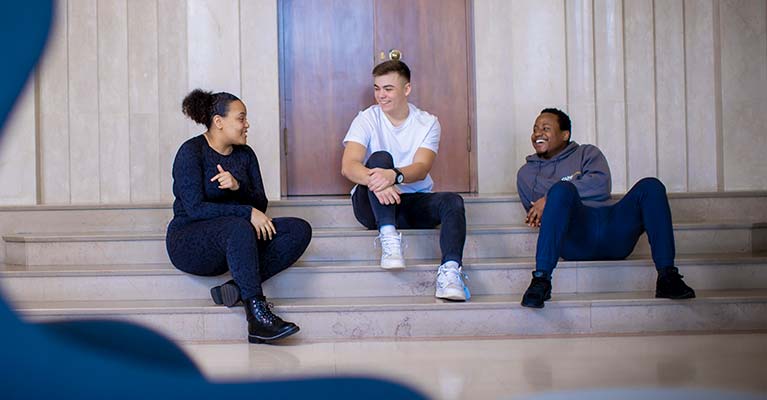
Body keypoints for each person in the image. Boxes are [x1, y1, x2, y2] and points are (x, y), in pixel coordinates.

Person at [166, 89, 312, 343]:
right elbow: (195, 209)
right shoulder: (191, 152)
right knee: (238, 226)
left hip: (236, 241)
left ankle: (235, 289)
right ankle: (257, 317)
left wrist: (238, 187)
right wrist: (245, 211)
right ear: (218, 122)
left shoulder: (246, 155)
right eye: (241, 118)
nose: (247, 125)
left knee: (299, 229)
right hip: (190, 242)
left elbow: (261, 205)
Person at [517, 108, 696, 308]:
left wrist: (547, 197)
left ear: (565, 134)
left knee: (651, 186)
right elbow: (539, 216)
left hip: (614, 231)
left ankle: (667, 276)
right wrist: (557, 195)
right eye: (535, 129)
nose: (538, 133)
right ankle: (541, 280)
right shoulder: (526, 174)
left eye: (546, 128)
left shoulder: (587, 153)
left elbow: (600, 186)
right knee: (561, 191)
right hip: (576, 237)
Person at [341, 60, 469, 301]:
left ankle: (450, 273)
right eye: (377, 88)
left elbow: (421, 168)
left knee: (453, 201)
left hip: (410, 202)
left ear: (407, 89)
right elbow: (348, 166)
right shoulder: (366, 119)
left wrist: (394, 176)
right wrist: (380, 179)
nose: (381, 95)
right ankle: (388, 237)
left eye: (388, 89)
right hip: (371, 206)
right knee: (380, 158)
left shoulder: (428, 122)